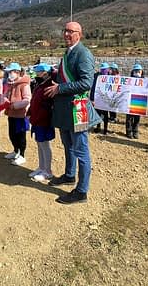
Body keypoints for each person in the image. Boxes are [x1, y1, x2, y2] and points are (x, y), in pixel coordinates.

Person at [45, 21, 101, 204]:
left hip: (78, 109)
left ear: (79, 34)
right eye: (65, 31)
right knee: (68, 145)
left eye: (71, 31)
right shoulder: (68, 53)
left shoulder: (83, 54)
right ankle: (69, 175)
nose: (67, 34)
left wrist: (59, 88)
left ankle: (82, 191)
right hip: (65, 110)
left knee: (81, 150)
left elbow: (86, 83)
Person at [27, 63, 55, 181]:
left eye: (38, 72)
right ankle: (41, 167)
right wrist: (29, 112)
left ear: (45, 73)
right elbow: (34, 101)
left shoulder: (49, 85)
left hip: (43, 120)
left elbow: (47, 106)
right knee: (39, 143)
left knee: (44, 144)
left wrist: (37, 117)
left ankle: (47, 171)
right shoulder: (40, 84)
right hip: (36, 119)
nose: (36, 74)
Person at [4, 62, 31, 166]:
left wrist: (15, 105)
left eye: (11, 72)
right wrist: (5, 100)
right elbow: (6, 95)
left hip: (21, 115)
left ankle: (22, 155)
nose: (10, 74)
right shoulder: (11, 84)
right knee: (12, 134)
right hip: (11, 114)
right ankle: (15, 151)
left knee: (21, 135)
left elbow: (27, 99)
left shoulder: (24, 85)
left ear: (17, 72)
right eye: (9, 72)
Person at [126, 63, 148, 139]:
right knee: (129, 118)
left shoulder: (145, 81)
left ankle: (135, 131)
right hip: (129, 101)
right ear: (133, 72)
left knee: (137, 118)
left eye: (139, 71)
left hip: (139, 102)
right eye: (136, 71)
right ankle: (129, 132)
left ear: (142, 72)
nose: (137, 72)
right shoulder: (129, 80)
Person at [90, 62, 110, 135]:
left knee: (105, 115)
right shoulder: (96, 76)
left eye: (105, 69)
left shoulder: (111, 77)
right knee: (98, 114)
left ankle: (105, 129)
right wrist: (92, 99)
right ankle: (98, 127)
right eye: (102, 69)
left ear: (108, 69)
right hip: (97, 98)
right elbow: (93, 88)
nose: (104, 71)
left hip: (106, 99)